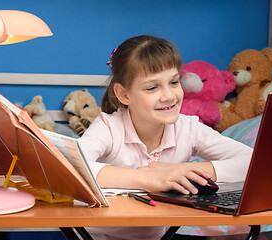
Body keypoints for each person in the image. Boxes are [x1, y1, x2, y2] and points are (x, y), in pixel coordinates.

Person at [78, 35, 253, 240]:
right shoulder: (108, 127)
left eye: (173, 82)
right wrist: (148, 178)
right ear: (124, 95)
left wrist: (182, 171)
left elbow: (253, 162)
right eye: (152, 87)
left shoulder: (188, 128)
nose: (169, 96)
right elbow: (70, 166)